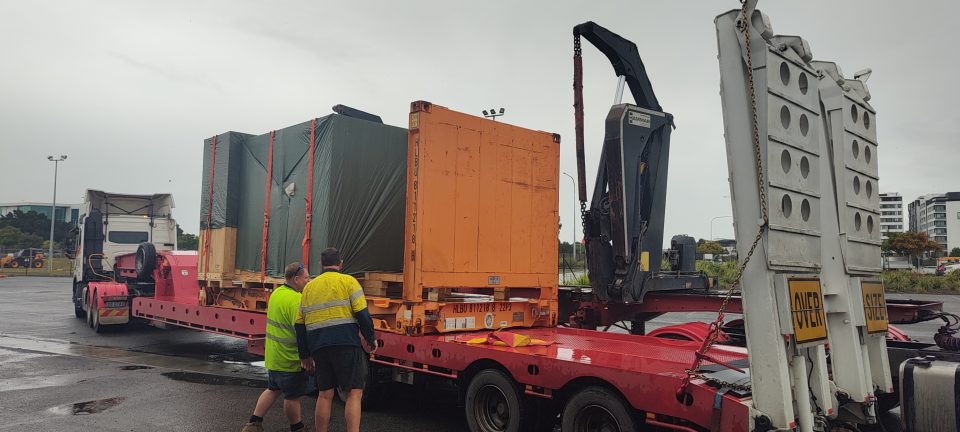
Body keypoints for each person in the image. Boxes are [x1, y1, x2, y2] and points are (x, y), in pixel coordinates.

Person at [295, 247, 377, 432]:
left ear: (321, 265)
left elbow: (299, 324)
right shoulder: (349, 282)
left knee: (325, 394)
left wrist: (304, 355)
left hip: (319, 346)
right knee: (354, 393)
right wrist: (371, 339)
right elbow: (362, 314)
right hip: (346, 344)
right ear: (341, 263)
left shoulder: (309, 287)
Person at [241, 262, 312, 432]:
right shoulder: (296, 300)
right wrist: (307, 356)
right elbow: (301, 331)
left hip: (274, 356)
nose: (309, 281)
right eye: (306, 278)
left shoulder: (276, 293)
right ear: (296, 279)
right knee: (292, 396)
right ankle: (297, 427)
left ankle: (253, 423)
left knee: (273, 389)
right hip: (290, 358)